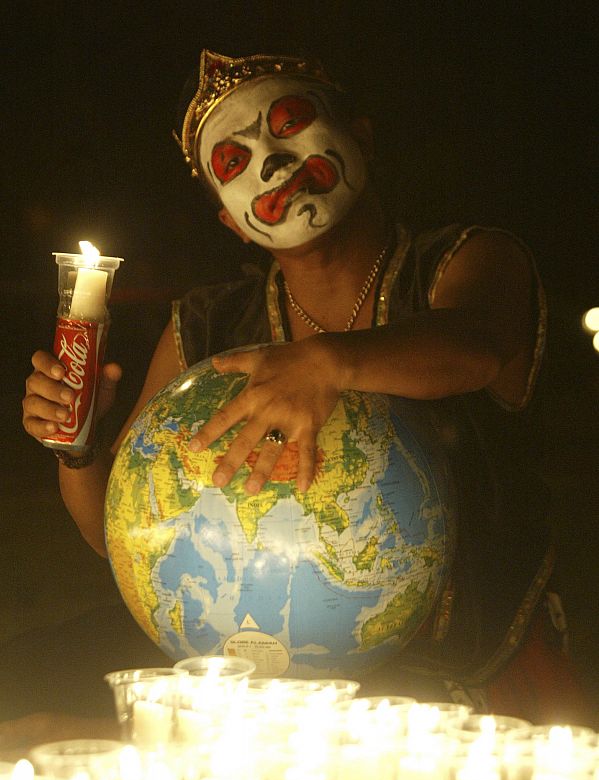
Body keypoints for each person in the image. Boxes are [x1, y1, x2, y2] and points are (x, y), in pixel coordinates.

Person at [19, 49, 587, 731]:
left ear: (362, 138)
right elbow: (127, 539)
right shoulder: (204, 328)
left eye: (289, 123)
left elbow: (475, 347)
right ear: (229, 220)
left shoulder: (466, 260)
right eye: (232, 160)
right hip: (269, 700)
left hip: (467, 687)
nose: (272, 159)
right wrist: (75, 450)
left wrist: (325, 363)